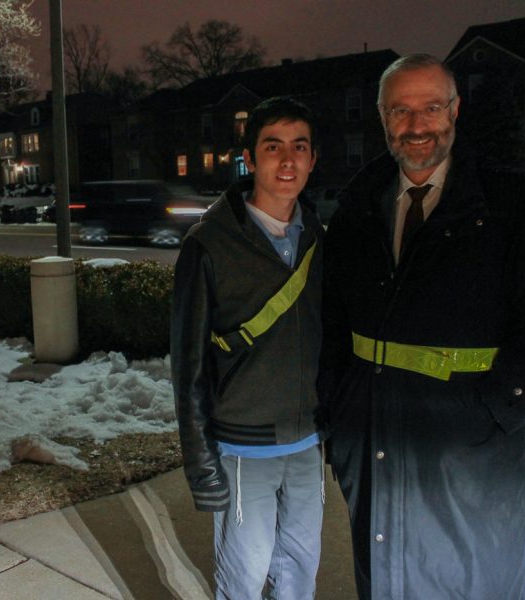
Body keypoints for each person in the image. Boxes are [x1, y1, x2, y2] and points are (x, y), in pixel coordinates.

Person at [319, 54, 525, 600]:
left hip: (468, 445)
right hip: (372, 435)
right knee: (385, 574)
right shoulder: (358, 207)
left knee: (470, 577)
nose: (416, 126)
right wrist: (339, 416)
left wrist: (491, 411)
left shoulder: (513, 206)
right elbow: (331, 320)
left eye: (431, 107)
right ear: (382, 118)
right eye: (401, 111)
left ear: (455, 110)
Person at [171, 96, 325, 600]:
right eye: (273, 146)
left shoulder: (317, 236)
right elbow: (187, 367)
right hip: (241, 448)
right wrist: (200, 465)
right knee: (243, 578)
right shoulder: (209, 244)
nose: (287, 160)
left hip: (305, 443)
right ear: (251, 159)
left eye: (298, 147)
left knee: (301, 574)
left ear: (312, 158)